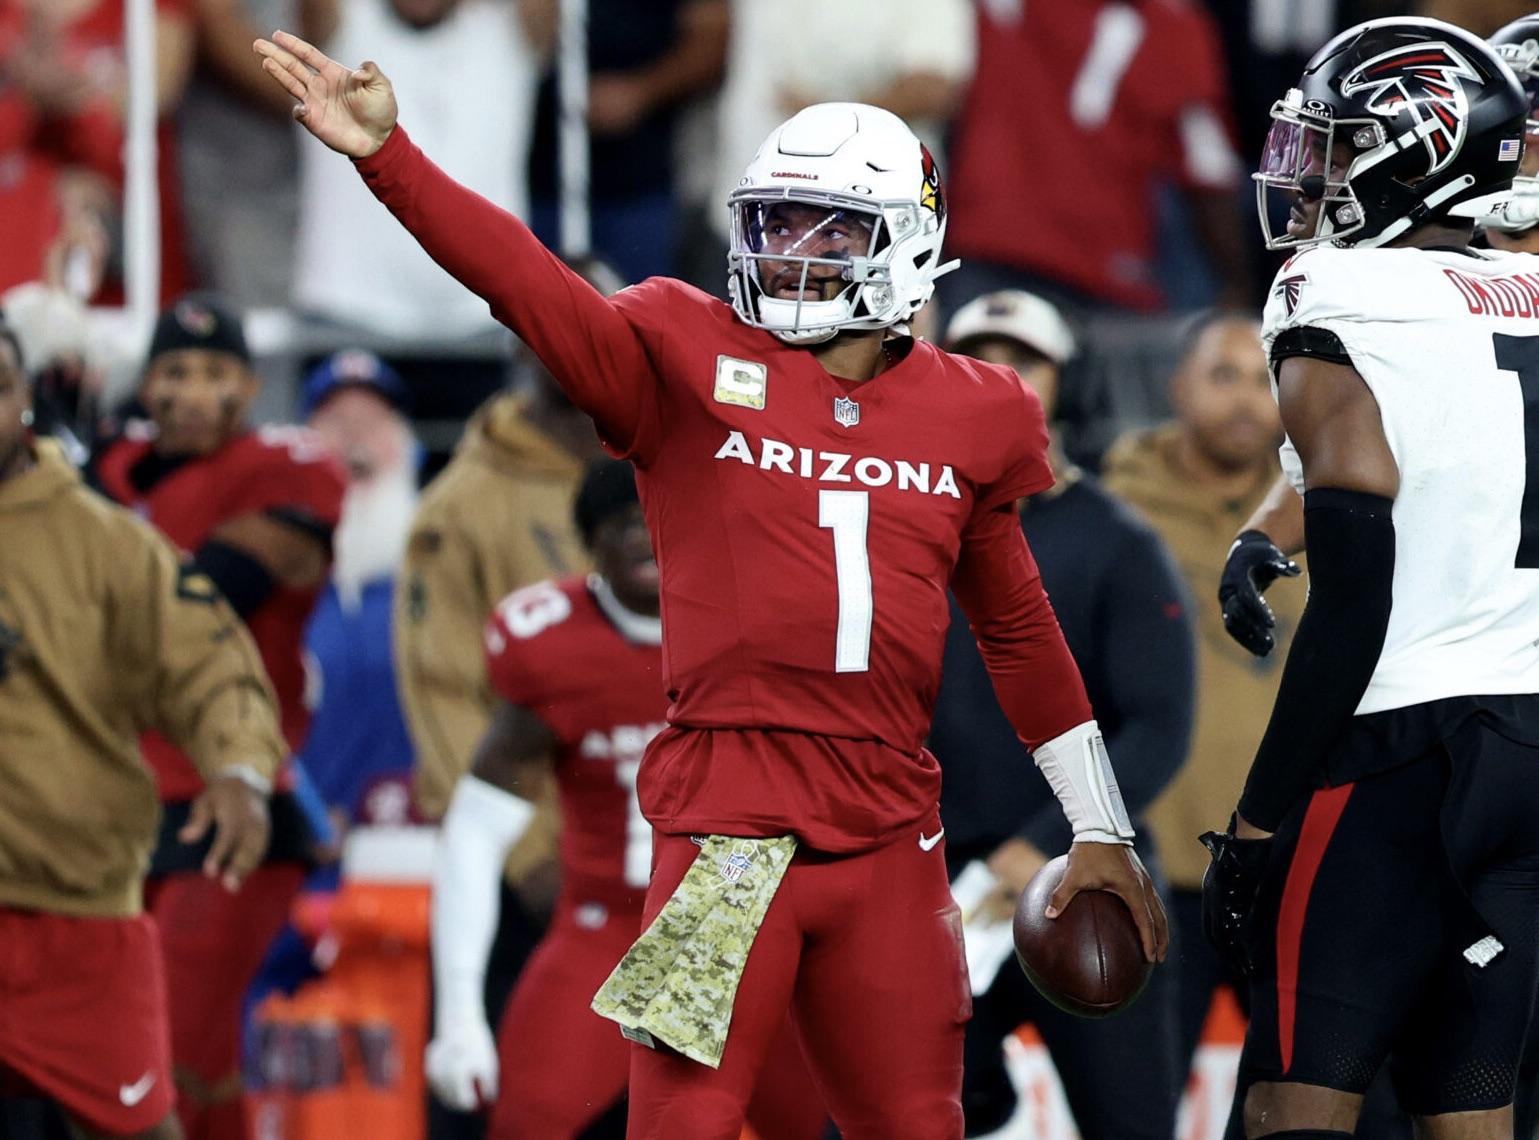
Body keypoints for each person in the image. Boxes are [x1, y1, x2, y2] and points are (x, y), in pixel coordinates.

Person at [255, 35, 1167, 1138]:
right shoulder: (685, 354)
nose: (789, 254)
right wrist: (389, 157)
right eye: (774, 223)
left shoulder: (975, 408)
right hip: (728, 832)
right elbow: (525, 285)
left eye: (829, 230)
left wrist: (1099, 823)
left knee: (916, 1124)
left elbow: (1019, 630)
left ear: (909, 242)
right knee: (680, 1126)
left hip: (891, 830)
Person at [1196, 16, 1539, 1139]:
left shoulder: (1336, 287)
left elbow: (1356, 600)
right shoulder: (1520, 285)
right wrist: (1271, 522)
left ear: (1416, 152)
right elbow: (1438, 440)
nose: (1308, 170)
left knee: (1291, 1106)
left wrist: (1256, 822)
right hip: (1527, 747)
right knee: (1471, 1109)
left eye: (1335, 144)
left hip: (1400, 752)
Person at [426, 458, 825, 1139]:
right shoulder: (553, 645)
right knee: (528, 1122)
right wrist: (458, 1011)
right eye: (622, 523)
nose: (644, 536)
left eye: (656, 520)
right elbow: (474, 828)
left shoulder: (764, 627)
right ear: (588, 541)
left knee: (829, 1119)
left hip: (754, 923)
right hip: (608, 925)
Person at [0, 310, 282, 1140]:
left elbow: (212, 667)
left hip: (73, 918)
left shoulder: (111, 545)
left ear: (25, 399)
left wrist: (239, 770)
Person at [931, 290, 1194, 1140]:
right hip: (935, 883)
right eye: (976, 356)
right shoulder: (900, 524)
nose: (999, 375)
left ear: (1067, 386)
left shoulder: (1117, 540)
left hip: (1085, 879)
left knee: (1129, 1125)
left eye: (1025, 360)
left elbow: (1157, 728)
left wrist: (1040, 840)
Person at [91, 295, 348, 1140]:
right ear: (147, 386)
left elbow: (204, 602)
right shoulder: (110, 467)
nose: (194, 391)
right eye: (175, 371)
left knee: (169, 1051)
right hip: (114, 797)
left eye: (214, 372)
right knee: (156, 1055)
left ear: (247, 385)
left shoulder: (286, 466)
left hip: (231, 787)